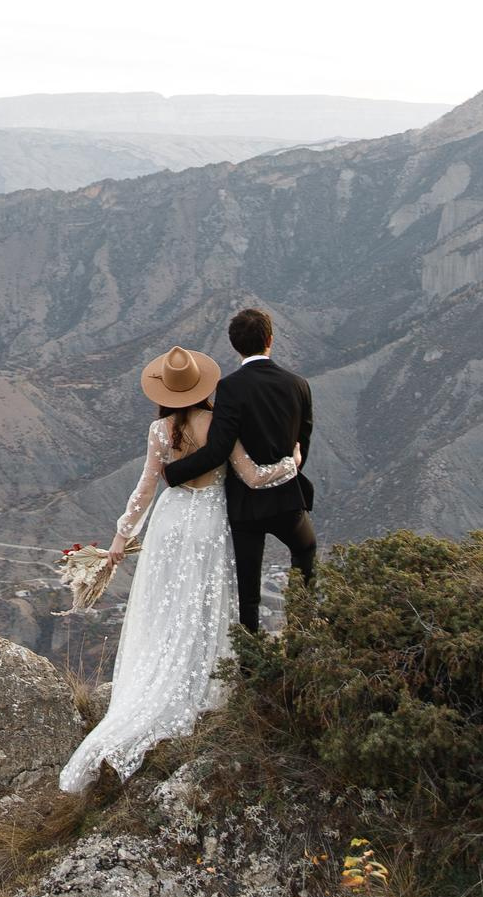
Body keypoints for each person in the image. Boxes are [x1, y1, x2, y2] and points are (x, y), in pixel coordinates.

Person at [57, 346, 301, 792]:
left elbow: (144, 489)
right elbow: (252, 476)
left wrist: (118, 541)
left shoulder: (159, 430)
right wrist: (292, 463)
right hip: (209, 524)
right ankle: (202, 679)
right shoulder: (223, 424)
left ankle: (153, 681)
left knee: (163, 608)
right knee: (203, 604)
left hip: (169, 524)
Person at [159, 306, 316, 629]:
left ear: (235, 345)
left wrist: (173, 473)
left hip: (245, 507)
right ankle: (302, 634)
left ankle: (249, 665)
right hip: (288, 499)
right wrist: (288, 471)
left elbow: (218, 450)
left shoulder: (230, 388)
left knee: (249, 590)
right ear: (270, 339)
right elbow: (304, 442)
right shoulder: (298, 385)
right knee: (306, 551)